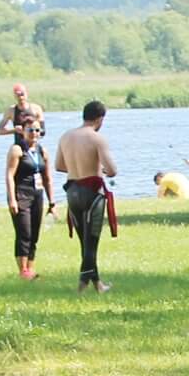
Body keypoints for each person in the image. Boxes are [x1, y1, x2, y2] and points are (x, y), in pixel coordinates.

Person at [55, 100, 120, 293]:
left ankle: (97, 284)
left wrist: (77, 166)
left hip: (72, 190)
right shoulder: (96, 138)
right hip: (92, 191)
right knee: (92, 242)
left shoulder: (66, 136)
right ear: (100, 119)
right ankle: (82, 285)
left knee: (84, 242)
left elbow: (59, 165)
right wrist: (99, 168)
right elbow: (112, 170)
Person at [5, 118, 54, 280]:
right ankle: (23, 270)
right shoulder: (17, 150)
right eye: (30, 130)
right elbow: (9, 175)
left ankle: (30, 268)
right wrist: (12, 199)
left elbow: (47, 178)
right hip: (21, 195)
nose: (34, 133)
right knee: (24, 232)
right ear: (23, 131)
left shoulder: (42, 151)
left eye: (37, 130)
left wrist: (52, 201)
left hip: (37, 195)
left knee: (34, 234)